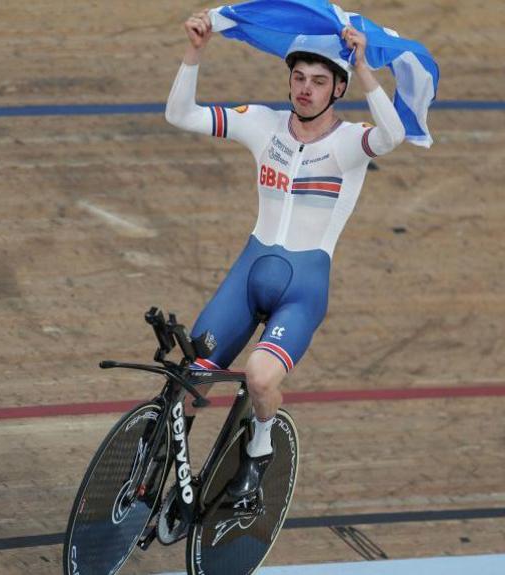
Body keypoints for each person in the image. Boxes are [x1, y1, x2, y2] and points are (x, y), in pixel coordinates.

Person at [165, 11, 405, 503]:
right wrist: (196, 51)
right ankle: (158, 472)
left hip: (303, 290)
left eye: (319, 81)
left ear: (337, 90)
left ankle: (259, 448)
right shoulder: (264, 124)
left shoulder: (349, 144)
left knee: (259, 375)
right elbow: (180, 115)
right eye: (298, 77)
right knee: (189, 376)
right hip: (249, 275)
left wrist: (363, 67)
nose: (305, 88)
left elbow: (393, 135)